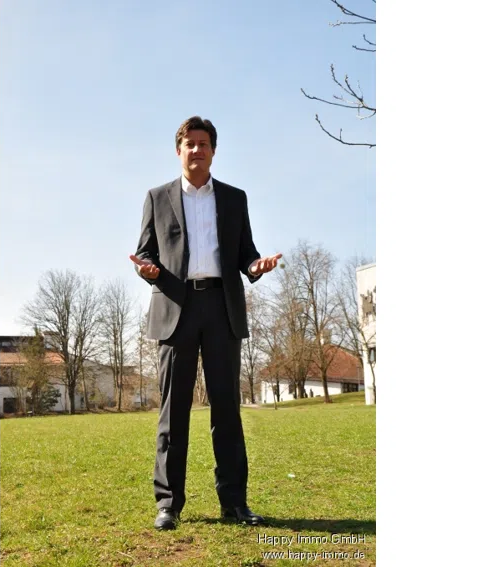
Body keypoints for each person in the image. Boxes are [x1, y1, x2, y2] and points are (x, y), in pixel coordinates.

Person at [129, 116, 281, 531]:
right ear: (178, 151)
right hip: (175, 307)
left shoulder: (234, 198)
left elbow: (246, 253)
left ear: (213, 150)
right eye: (189, 144)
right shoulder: (157, 197)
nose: (197, 150)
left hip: (221, 307)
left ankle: (235, 503)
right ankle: (168, 504)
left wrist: (255, 265)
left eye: (203, 144)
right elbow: (146, 252)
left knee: (227, 410)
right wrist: (147, 269)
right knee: (173, 412)